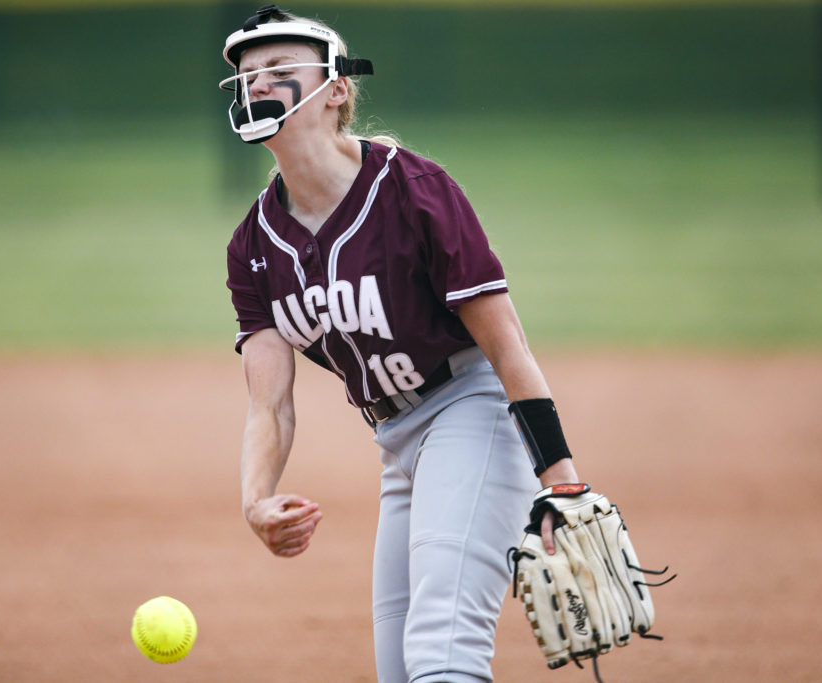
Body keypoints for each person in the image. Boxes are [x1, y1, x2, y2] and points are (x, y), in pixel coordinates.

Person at [220, 6, 581, 682]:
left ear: (335, 90)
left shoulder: (414, 191)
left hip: (471, 412)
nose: (258, 85)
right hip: (396, 444)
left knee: (444, 654)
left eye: (278, 70)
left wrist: (562, 480)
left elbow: (507, 348)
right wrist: (256, 497)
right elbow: (269, 404)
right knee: (399, 670)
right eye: (247, 76)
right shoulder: (253, 247)